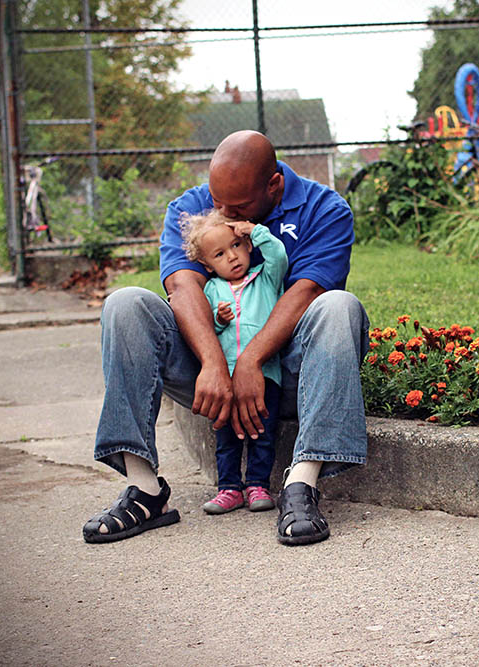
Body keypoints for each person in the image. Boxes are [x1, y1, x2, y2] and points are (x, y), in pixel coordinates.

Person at [82, 130, 369, 546]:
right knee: (126, 303)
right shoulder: (190, 207)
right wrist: (217, 364)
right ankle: (145, 491)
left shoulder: (324, 210)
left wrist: (251, 361)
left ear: (273, 185)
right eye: (218, 201)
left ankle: (301, 485)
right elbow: (183, 287)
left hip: (289, 375)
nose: (221, 212)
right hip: (208, 379)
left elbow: (306, 292)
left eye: (237, 208)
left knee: (340, 305)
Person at [179, 209, 287, 514]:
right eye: (220, 254)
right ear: (206, 264)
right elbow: (203, 329)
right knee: (226, 436)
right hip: (224, 379)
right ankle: (229, 488)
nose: (232, 257)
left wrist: (254, 230)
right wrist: (217, 319)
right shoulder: (211, 290)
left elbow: (278, 255)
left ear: (248, 245)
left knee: (261, 433)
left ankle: (257, 485)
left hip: (265, 374)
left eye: (237, 246)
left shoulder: (265, 278)